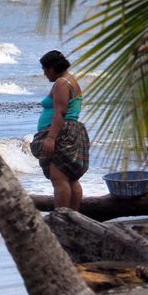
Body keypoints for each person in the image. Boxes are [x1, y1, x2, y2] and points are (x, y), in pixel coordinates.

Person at [30, 50, 90, 211]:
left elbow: (60, 113)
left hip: (61, 132)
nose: (44, 74)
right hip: (71, 130)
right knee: (70, 179)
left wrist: (51, 138)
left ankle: (62, 220)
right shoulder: (70, 80)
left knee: (59, 179)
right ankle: (74, 218)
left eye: (44, 70)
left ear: (51, 68)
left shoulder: (61, 83)